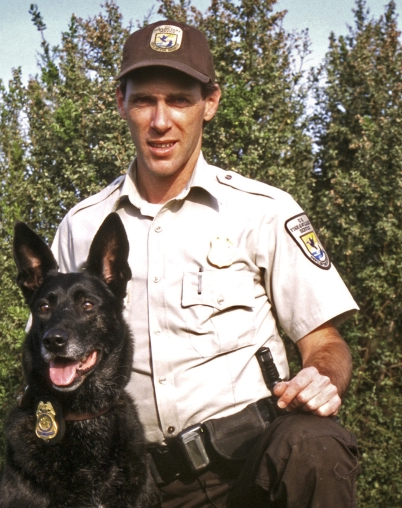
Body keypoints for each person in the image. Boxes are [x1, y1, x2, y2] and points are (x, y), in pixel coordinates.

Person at [51, 19, 361, 507]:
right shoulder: (81, 227)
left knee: (313, 446)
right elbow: (53, 361)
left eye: (178, 99)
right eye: (143, 100)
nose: (160, 121)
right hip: (131, 482)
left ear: (209, 103)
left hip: (248, 469)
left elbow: (325, 342)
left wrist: (320, 377)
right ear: (120, 103)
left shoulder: (264, 211)